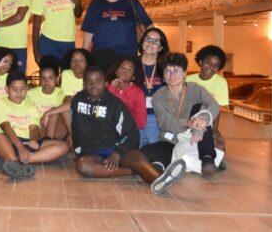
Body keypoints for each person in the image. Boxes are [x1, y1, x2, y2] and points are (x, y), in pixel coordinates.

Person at [71, 66, 186, 195]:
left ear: (106, 83)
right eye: (89, 81)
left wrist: (117, 153)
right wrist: (78, 149)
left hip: (115, 146)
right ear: (84, 83)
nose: (93, 84)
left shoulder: (115, 104)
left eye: (97, 80)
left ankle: (160, 180)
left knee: (137, 160)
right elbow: (76, 126)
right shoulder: (77, 100)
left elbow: (131, 133)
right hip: (92, 152)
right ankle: (132, 171)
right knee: (83, 166)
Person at [141, 53, 223, 176]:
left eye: (177, 71)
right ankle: (204, 161)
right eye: (167, 71)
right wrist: (188, 123)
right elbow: (164, 122)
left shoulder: (196, 89)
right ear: (163, 75)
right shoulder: (158, 96)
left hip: (196, 136)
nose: (172, 75)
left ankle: (207, 159)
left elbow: (214, 105)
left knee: (200, 108)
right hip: (171, 140)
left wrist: (202, 120)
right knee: (145, 152)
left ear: (185, 73)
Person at [0, 70, 68, 179]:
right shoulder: (0, 103)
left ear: (26, 89)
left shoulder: (31, 106)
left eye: (22, 89)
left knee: (62, 146)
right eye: (14, 90)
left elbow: (34, 127)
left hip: (26, 142)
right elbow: (5, 126)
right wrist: (20, 146)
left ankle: (23, 160)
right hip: (8, 141)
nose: (18, 93)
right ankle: (14, 162)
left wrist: (33, 140)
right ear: (7, 89)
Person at [81, 0, 153, 56]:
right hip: (101, 58)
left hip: (127, 59)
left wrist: (153, 49)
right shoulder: (95, 4)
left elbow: (149, 26)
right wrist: (83, 57)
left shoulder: (131, 2)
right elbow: (88, 33)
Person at [41, 49, 93, 141]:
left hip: (87, 115)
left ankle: (75, 140)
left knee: (61, 109)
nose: (77, 63)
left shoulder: (91, 77)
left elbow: (76, 102)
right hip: (70, 115)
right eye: (74, 60)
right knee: (62, 109)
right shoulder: (66, 74)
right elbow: (68, 100)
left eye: (81, 60)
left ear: (87, 63)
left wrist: (49, 112)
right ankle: (50, 141)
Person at [186, 44, 229, 152]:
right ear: (200, 62)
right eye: (208, 63)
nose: (210, 67)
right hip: (189, 120)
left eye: (215, 65)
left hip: (208, 123)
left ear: (219, 68)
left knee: (220, 148)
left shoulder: (221, 82)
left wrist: (215, 131)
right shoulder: (188, 80)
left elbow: (217, 109)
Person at [138, 28, 169, 147]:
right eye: (148, 39)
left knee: (154, 151)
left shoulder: (165, 67)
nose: (150, 43)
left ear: (160, 48)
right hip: (135, 116)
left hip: (157, 117)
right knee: (136, 152)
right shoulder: (132, 64)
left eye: (156, 41)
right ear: (142, 42)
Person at [28, 57, 65, 138]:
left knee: (55, 113)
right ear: (40, 80)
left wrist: (47, 113)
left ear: (57, 79)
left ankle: (49, 140)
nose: (46, 81)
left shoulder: (61, 93)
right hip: (38, 128)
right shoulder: (30, 94)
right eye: (43, 78)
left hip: (56, 128)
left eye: (50, 78)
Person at [106, 56, 147, 130]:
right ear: (116, 71)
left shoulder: (138, 92)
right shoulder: (109, 86)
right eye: (122, 67)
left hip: (128, 130)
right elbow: (106, 107)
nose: (125, 71)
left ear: (133, 76)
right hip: (109, 129)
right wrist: (112, 88)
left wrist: (122, 92)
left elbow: (141, 123)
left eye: (129, 70)